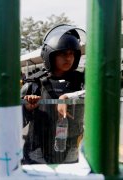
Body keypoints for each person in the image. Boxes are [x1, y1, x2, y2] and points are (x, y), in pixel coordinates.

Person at [21, 24, 86, 164]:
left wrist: (67, 97)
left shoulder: (83, 81)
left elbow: (97, 94)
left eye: (71, 53)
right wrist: (26, 108)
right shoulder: (35, 83)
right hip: (37, 152)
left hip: (72, 152)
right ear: (50, 54)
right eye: (63, 53)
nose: (68, 58)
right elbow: (15, 122)